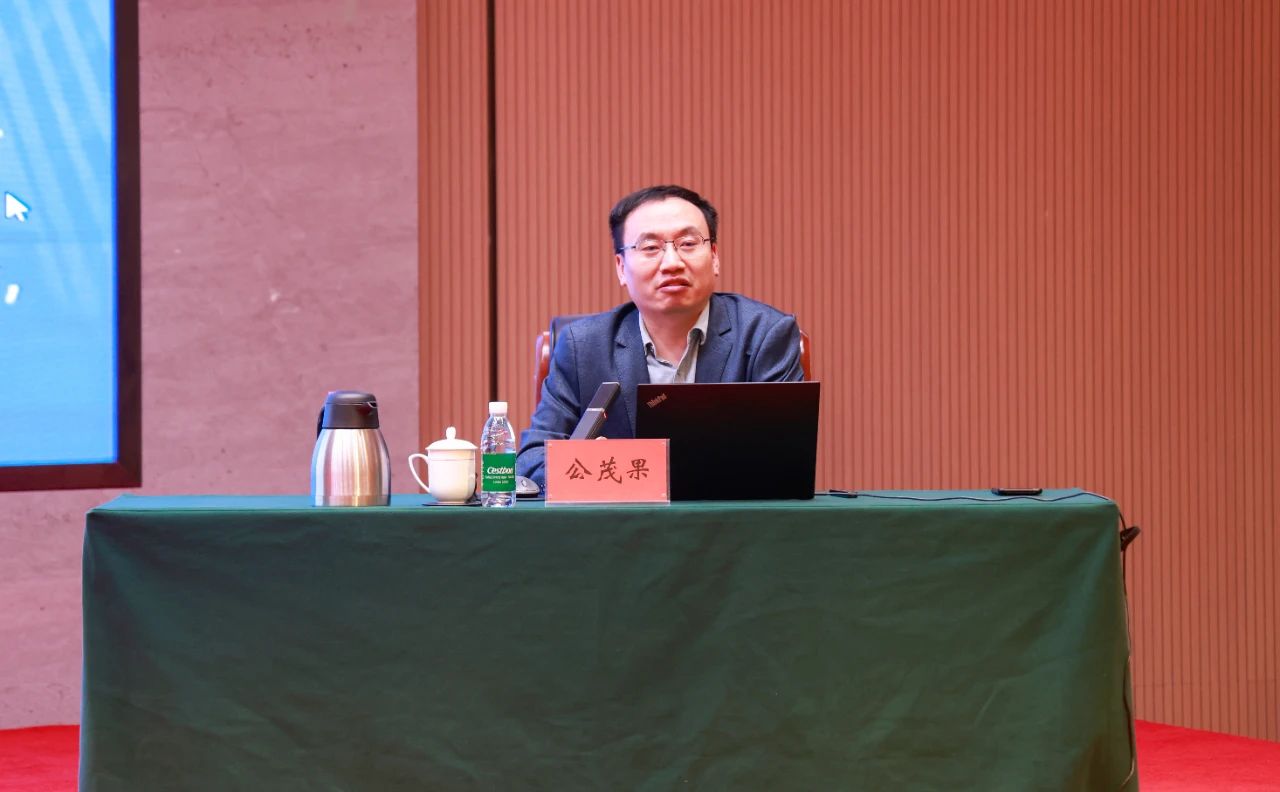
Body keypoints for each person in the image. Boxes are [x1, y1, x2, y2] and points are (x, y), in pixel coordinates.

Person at [516, 184, 803, 486]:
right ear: (621, 268)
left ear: (714, 256)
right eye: (651, 248)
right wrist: (605, 467)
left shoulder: (765, 335)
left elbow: (786, 459)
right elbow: (532, 460)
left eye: (688, 243)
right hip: (621, 517)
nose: (672, 263)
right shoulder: (583, 347)